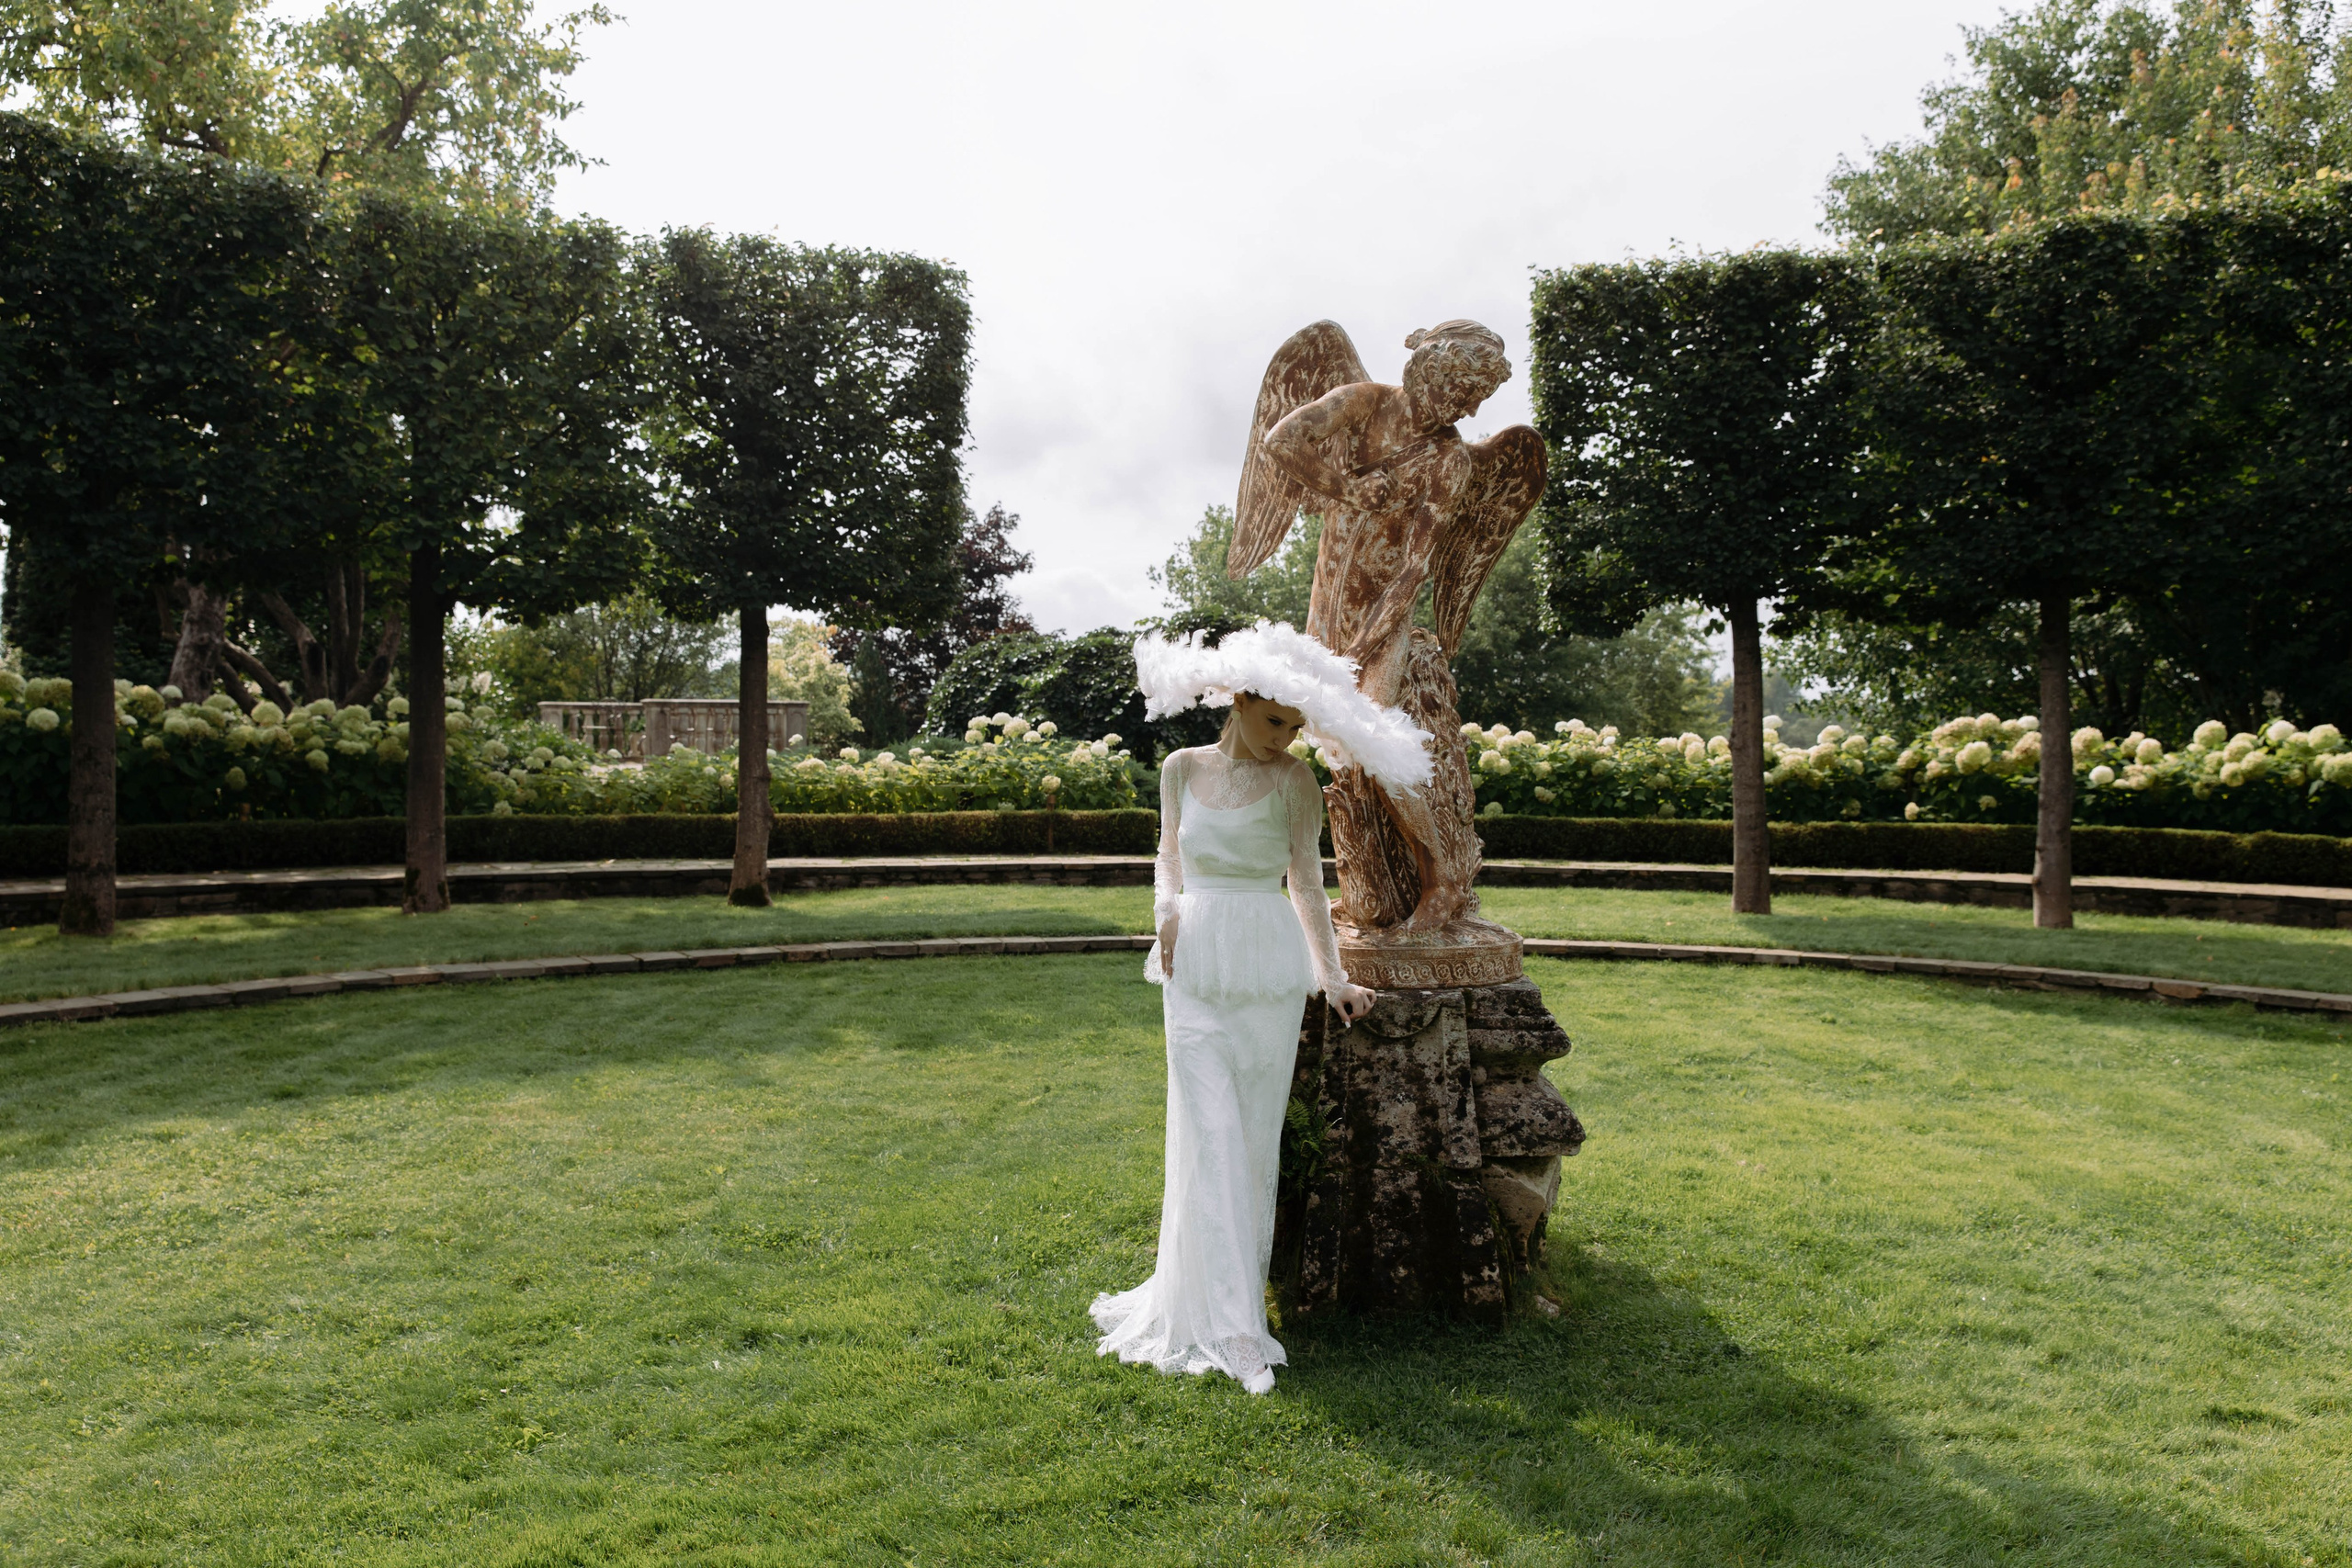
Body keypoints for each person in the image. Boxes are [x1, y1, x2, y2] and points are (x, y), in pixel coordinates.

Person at [1093, 622, 1430, 1394]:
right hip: (1196, 968)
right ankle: (1230, 1329)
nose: (1287, 737)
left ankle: (1236, 1313)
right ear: (1239, 702)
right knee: (1204, 1132)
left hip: (1268, 969)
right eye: (1276, 720)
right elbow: (1168, 854)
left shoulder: (1295, 783)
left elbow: (1309, 886)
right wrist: (1165, 911)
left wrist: (1335, 976)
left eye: (1296, 726)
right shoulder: (1181, 767)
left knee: (1247, 1144)